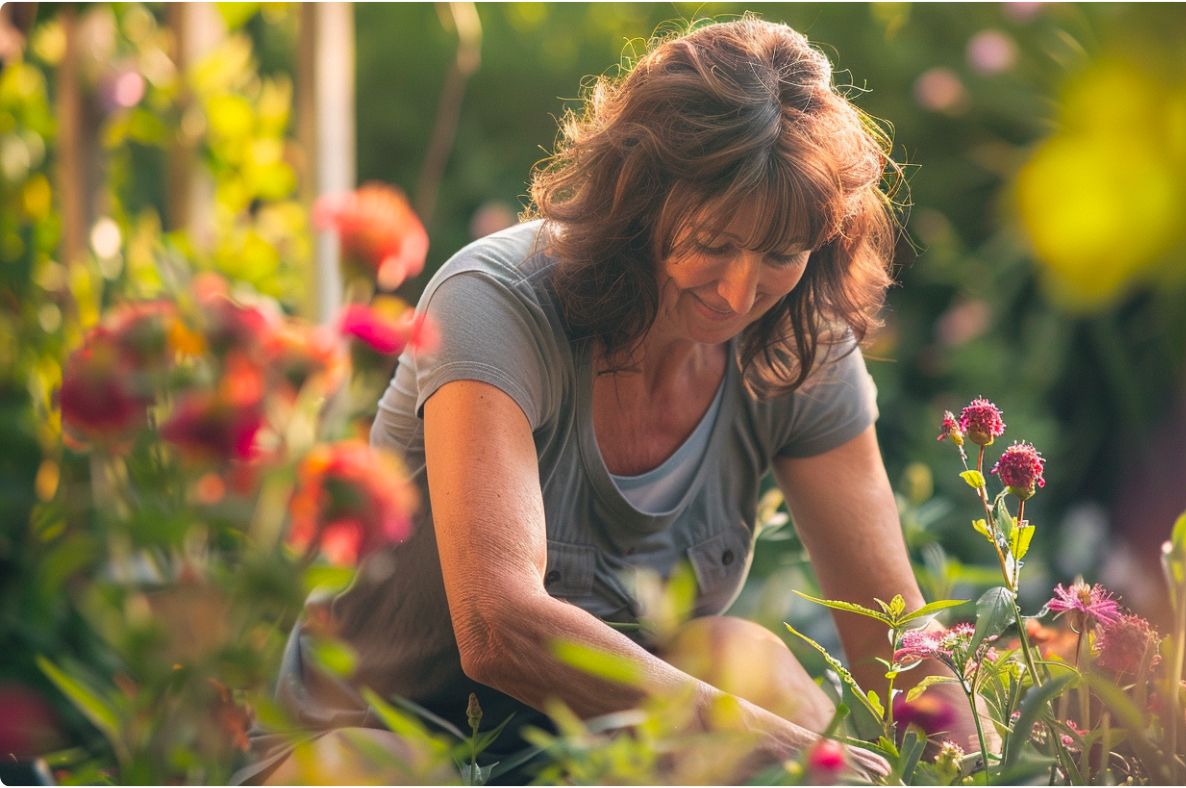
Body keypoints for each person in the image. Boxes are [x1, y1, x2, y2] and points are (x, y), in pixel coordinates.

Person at [235, 15, 976, 785]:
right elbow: (498, 626)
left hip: (602, 754)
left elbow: (894, 639)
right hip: (374, 738)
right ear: (639, 202)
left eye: (780, 256)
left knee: (742, 658)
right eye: (715, 243)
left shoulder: (799, 345)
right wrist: (789, 747)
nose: (737, 292)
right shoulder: (497, 303)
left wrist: (995, 773)